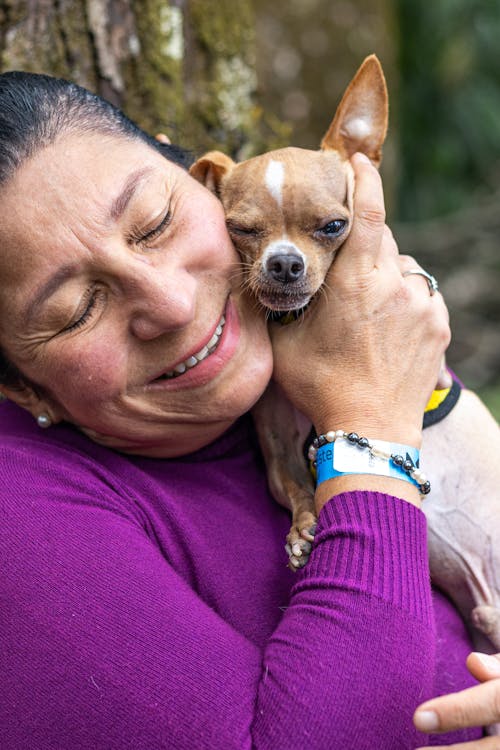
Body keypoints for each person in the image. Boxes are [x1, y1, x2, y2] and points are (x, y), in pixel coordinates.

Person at [0, 70, 491, 749]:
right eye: (78, 308)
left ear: (196, 176)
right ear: (18, 387)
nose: (169, 304)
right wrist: (370, 435)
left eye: (156, 223)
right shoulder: (24, 524)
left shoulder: (332, 341)